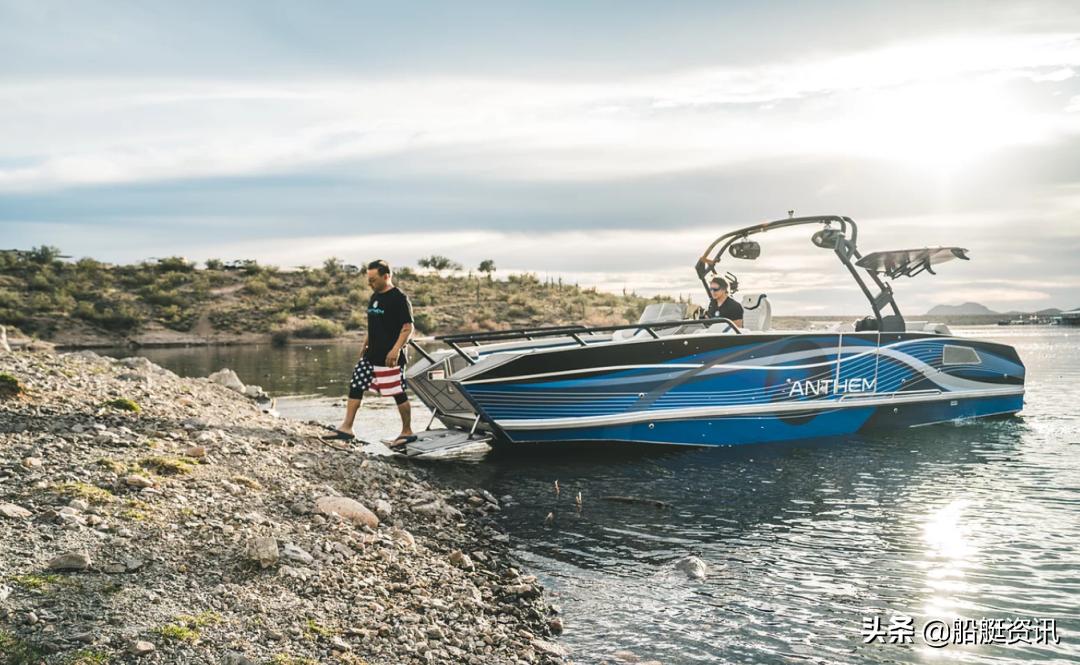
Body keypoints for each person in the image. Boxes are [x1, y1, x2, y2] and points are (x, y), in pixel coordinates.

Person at [324, 259, 416, 447]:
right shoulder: (374, 297)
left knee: (398, 392)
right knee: (356, 384)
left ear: (386, 276)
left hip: (390, 356)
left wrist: (395, 350)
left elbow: (408, 328)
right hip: (371, 354)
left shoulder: (399, 298)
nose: (370, 283)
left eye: (373, 279)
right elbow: (374, 324)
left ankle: (407, 432)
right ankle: (347, 428)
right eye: (369, 279)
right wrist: (365, 344)